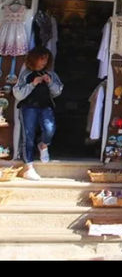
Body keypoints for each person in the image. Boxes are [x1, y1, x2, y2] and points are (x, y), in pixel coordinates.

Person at [13, 46, 63, 181]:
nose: (43, 63)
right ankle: (28, 168)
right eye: (41, 59)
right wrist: (32, 84)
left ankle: (43, 145)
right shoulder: (26, 74)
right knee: (28, 136)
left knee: (49, 129)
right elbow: (17, 93)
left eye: (46, 60)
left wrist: (50, 82)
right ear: (34, 59)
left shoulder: (51, 74)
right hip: (28, 108)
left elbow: (58, 91)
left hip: (46, 107)